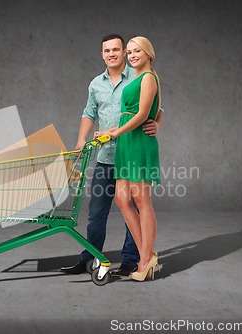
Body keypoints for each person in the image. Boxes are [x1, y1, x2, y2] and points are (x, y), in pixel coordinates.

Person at [60, 34, 164, 276]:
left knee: (136, 204)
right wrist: (80, 140)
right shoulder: (96, 83)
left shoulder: (137, 75)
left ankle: (133, 259)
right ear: (102, 54)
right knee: (99, 209)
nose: (113, 54)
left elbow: (155, 108)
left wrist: (157, 124)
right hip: (107, 154)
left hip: (131, 150)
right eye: (108, 50)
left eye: (118, 49)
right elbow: (89, 113)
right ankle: (91, 257)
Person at [101, 36, 162, 281]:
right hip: (127, 141)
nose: (132, 55)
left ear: (148, 53)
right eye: (130, 52)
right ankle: (146, 254)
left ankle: (145, 259)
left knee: (141, 199)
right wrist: (111, 131)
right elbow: (141, 112)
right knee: (121, 199)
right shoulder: (138, 78)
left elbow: (144, 113)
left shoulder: (148, 78)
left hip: (137, 142)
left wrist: (116, 131)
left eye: (137, 51)